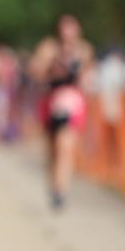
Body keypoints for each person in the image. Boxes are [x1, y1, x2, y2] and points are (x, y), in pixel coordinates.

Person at [28, 14, 95, 210]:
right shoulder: (48, 47)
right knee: (52, 150)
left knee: (65, 146)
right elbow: (36, 71)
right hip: (51, 100)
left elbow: (89, 75)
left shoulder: (84, 49)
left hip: (72, 102)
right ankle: (53, 184)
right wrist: (52, 63)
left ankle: (61, 190)